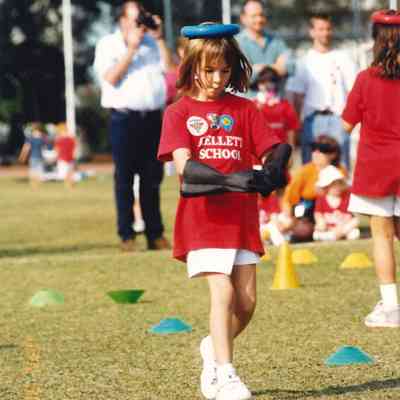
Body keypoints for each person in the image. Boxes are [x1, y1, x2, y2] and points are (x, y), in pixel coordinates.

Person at [158, 24, 286, 400]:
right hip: (203, 219)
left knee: (247, 303)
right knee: (224, 291)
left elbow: (272, 149)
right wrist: (235, 180)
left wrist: (274, 167)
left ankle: (212, 347)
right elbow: (186, 168)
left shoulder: (245, 109)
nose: (217, 79)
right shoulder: (178, 112)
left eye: (225, 70)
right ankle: (226, 375)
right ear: (192, 66)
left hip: (242, 219)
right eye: (209, 70)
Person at [93, 1, 172, 251]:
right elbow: (111, 77)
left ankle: (155, 234)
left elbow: (172, 71)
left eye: (142, 19)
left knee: (152, 178)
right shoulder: (108, 44)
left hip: (152, 118)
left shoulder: (152, 43)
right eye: (135, 19)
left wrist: (159, 39)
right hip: (124, 118)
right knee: (124, 178)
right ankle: (126, 235)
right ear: (122, 21)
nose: (140, 25)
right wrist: (131, 49)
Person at [342, 9, 400, 328]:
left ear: (376, 40)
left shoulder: (366, 79)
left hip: (376, 167)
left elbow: (346, 123)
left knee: (382, 236)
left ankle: (391, 308)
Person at [286, 13, 358, 169]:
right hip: (312, 121)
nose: (325, 33)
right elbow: (297, 96)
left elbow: (355, 91)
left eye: (328, 29)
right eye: (320, 29)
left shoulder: (343, 58)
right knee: (311, 170)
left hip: (338, 120)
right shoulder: (304, 61)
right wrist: (296, 128)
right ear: (312, 32)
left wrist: (350, 120)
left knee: (340, 169)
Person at [282, 135, 346, 242]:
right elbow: (288, 200)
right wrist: (291, 219)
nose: (316, 153)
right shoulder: (305, 171)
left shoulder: (339, 172)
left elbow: (345, 199)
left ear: (333, 154)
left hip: (333, 214)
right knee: (303, 231)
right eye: (314, 148)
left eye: (322, 149)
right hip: (308, 212)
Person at [236, 0, 294, 95]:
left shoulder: (276, 40)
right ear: (243, 18)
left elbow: (291, 66)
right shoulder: (237, 43)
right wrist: (276, 68)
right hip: (248, 102)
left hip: (276, 102)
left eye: (261, 15)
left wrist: (260, 68)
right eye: (254, 16)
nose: (259, 19)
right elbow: (241, 78)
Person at [253, 66, 300, 148]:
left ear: (276, 84)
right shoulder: (252, 105)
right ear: (258, 84)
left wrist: (291, 148)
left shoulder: (284, 104)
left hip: (280, 148)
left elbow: (291, 129)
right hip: (259, 149)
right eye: (263, 82)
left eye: (270, 82)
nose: (267, 86)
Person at [313, 165, 359, 241]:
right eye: (333, 186)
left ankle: (338, 235)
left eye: (339, 184)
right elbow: (318, 214)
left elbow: (353, 217)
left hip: (344, 227)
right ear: (326, 187)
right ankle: (332, 236)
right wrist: (321, 222)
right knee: (317, 232)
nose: (337, 188)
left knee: (355, 229)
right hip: (328, 228)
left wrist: (342, 228)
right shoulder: (321, 199)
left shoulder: (346, 198)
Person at [18, 122, 47, 187]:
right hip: (38, 157)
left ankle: (33, 184)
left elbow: (26, 148)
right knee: (38, 171)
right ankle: (36, 184)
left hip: (34, 157)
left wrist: (22, 156)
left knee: (33, 170)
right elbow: (44, 148)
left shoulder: (30, 138)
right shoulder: (42, 139)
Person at [54, 122, 76, 187]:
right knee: (68, 172)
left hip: (64, 158)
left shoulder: (59, 139)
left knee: (66, 173)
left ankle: (69, 184)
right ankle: (69, 183)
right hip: (67, 158)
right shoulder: (71, 139)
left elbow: (56, 149)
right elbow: (74, 148)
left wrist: (56, 156)